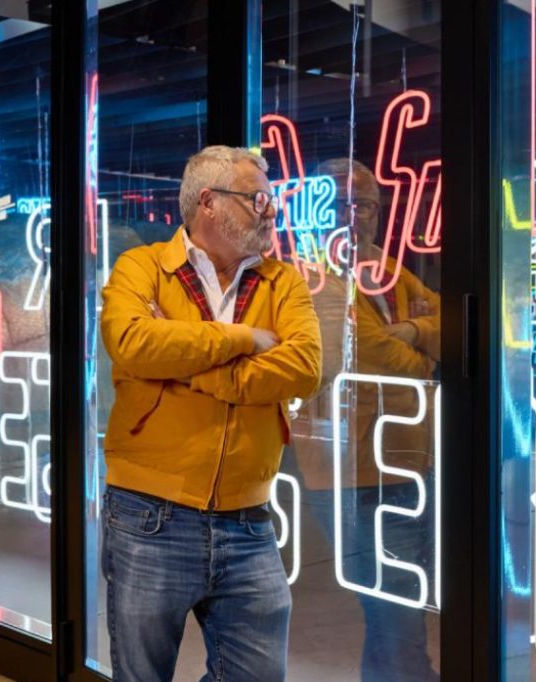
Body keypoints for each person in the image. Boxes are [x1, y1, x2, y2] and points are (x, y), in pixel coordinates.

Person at [99, 145, 323, 682]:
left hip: (247, 521)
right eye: (258, 199)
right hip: (149, 513)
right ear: (209, 202)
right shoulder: (143, 266)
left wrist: (187, 367)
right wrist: (244, 339)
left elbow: (305, 366)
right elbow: (130, 341)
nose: (271, 211)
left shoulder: (283, 282)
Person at [291, 158, 440, 681]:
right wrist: (420, 352)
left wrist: (418, 333)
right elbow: (369, 354)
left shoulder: (384, 269)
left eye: (368, 205)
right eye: (343, 205)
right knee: (394, 601)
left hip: (405, 461)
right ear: (317, 211)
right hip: (348, 467)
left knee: (397, 600)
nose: (358, 217)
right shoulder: (308, 277)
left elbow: (447, 316)